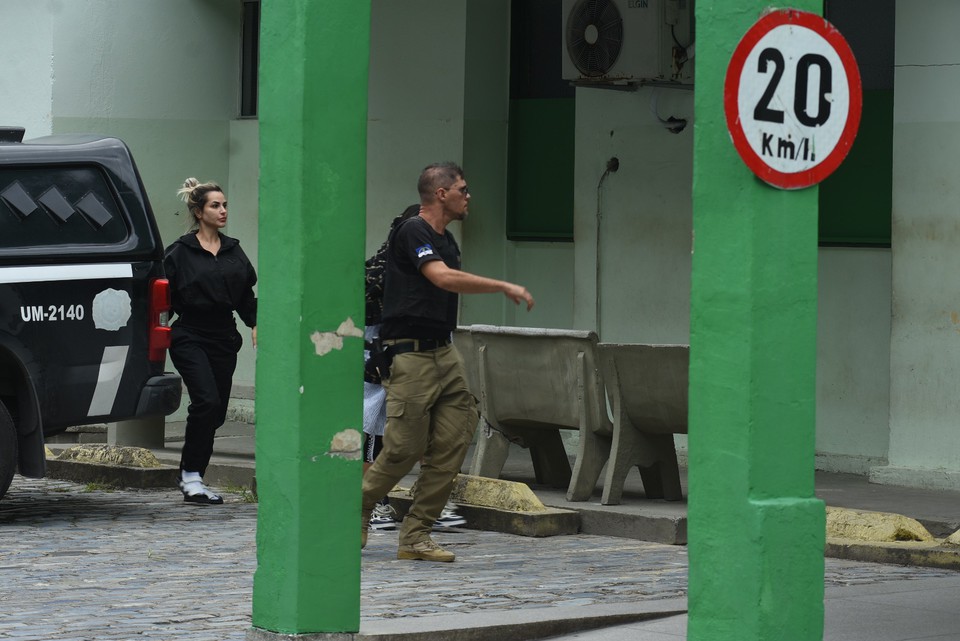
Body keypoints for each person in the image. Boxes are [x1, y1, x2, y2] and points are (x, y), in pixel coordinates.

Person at [361, 162, 534, 562]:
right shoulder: (413, 230)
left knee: (454, 442)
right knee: (403, 448)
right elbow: (440, 277)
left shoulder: (447, 239)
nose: (468, 196)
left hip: (444, 350)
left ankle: (416, 536)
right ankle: (356, 505)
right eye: (463, 189)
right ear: (441, 193)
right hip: (410, 354)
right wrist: (502, 285)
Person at [363, 205, 467, 532]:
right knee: (379, 431)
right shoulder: (383, 267)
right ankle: (372, 505)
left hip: (432, 358)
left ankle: (431, 504)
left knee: (437, 432)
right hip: (387, 360)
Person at [164, 178, 258, 505]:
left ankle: (195, 477)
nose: (223, 211)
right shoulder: (179, 252)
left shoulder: (233, 250)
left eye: (225, 205)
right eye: (215, 205)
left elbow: (246, 297)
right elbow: (163, 301)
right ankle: (190, 477)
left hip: (223, 337)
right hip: (189, 335)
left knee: (215, 412)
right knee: (205, 401)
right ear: (198, 211)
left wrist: (255, 322)